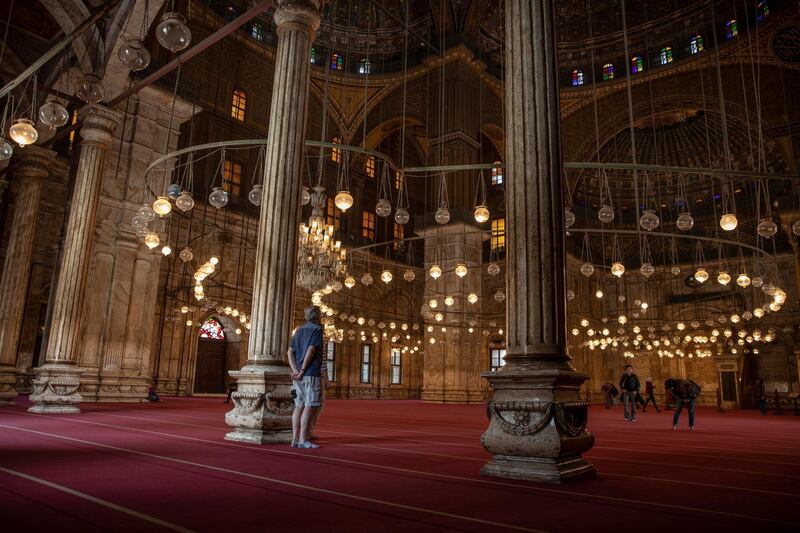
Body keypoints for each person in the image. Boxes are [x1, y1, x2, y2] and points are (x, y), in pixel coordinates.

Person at [287, 305, 324, 449]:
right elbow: (311, 349)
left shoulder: (299, 331)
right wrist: (302, 370)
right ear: (318, 316)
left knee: (298, 406)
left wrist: (295, 370)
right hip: (310, 373)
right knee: (309, 406)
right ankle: (303, 440)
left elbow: (290, 352)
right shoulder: (317, 330)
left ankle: (295, 439)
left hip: (298, 376)